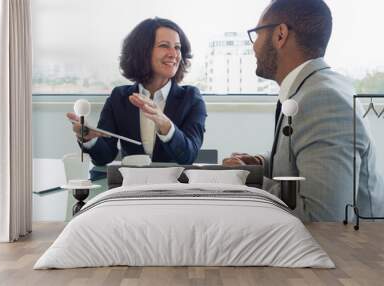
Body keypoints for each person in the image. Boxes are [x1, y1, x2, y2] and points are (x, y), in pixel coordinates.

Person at [223, 0, 384, 221]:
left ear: (280, 35)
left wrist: (251, 185)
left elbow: (324, 218)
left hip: (344, 252)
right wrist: (262, 164)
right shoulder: (312, 88)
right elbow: (301, 155)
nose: (254, 45)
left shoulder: (322, 101)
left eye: (257, 34)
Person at [67, 18, 207, 165]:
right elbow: (104, 156)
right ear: (143, 52)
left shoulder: (191, 98)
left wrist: (165, 124)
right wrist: (89, 139)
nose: (174, 54)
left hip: (174, 185)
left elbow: (189, 155)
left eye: (177, 47)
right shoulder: (119, 97)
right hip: (131, 185)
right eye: (164, 45)